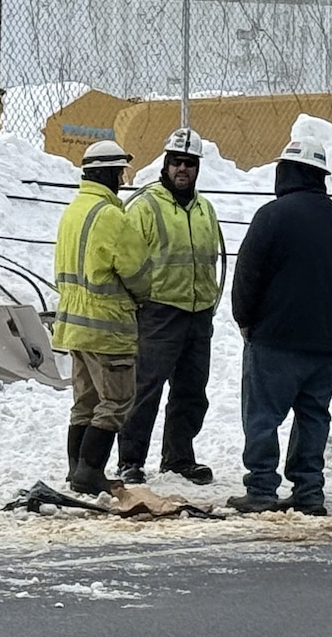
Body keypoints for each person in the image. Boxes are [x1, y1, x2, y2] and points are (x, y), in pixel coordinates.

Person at [228, 138, 332, 515]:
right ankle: (309, 490)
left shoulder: (272, 216)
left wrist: (245, 320)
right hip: (325, 346)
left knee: (263, 415)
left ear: (287, 172)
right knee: (313, 416)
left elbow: (248, 276)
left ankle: (261, 488)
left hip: (275, 340)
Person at [118, 128, 223, 486]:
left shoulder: (205, 209)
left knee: (192, 391)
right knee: (145, 388)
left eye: (189, 163)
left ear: (197, 168)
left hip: (198, 313)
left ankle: (179, 457)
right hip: (159, 312)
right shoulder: (145, 207)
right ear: (165, 165)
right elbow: (128, 262)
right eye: (176, 162)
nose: (182, 169)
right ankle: (130, 459)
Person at [53, 139, 152, 495]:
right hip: (107, 329)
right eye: (121, 172)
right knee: (116, 402)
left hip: (75, 327)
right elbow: (137, 271)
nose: (123, 179)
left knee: (85, 402)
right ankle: (90, 472)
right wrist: (143, 295)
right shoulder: (111, 216)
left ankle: (76, 469)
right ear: (112, 172)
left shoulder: (74, 211)